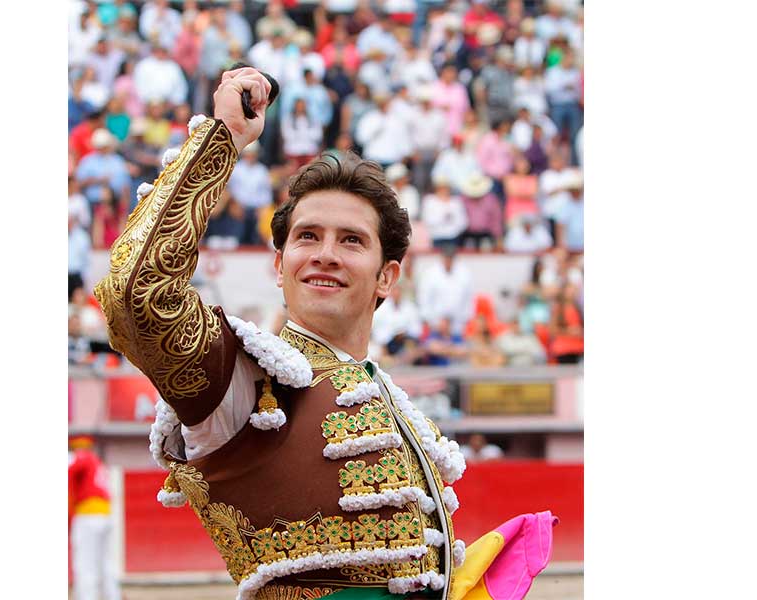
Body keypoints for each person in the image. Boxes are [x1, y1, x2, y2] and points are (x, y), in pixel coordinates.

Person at [94, 66, 553, 599]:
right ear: (280, 265)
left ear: (387, 277)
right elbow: (136, 292)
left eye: (351, 240)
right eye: (307, 236)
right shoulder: (245, 384)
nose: (325, 255)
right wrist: (223, 139)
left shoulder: (387, 397)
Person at [68, 435, 120, 600]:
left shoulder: (81, 458)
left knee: (85, 563)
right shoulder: (98, 463)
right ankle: (113, 596)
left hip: (87, 516)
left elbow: (69, 473)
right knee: (106, 563)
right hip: (105, 515)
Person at [227, 141, 273, 246]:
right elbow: (228, 190)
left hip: (257, 209)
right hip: (239, 207)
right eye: (249, 154)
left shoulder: (262, 170)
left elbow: (267, 194)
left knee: (265, 217)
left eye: (253, 154)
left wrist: (262, 208)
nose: (250, 156)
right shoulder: (235, 169)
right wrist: (234, 203)